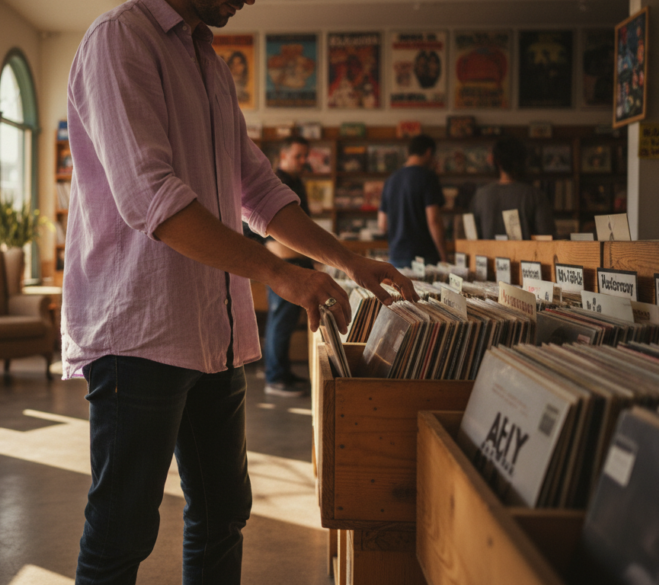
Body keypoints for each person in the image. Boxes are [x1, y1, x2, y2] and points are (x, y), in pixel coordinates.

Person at [63, 1, 417, 584]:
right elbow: (151, 198)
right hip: (140, 332)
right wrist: (280, 274)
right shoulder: (120, 38)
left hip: (212, 331)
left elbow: (256, 187)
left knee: (224, 512)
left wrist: (346, 260)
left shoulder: (208, 60)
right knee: (121, 531)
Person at [263, 136, 313, 397]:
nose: (303, 161)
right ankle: (274, 378)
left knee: (286, 321)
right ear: (283, 156)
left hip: (297, 263)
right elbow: (262, 231)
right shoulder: (277, 182)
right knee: (280, 321)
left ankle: (282, 372)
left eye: (306, 156)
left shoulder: (296, 182)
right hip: (284, 264)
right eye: (298, 156)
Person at [378, 134, 447, 268]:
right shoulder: (428, 177)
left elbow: (382, 224)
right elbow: (433, 220)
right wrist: (444, 255)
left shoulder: (391, 180)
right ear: (429, 152)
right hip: (424, 257)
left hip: (396, 256)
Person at [470, 136, 555, 240]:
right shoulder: (535, 195)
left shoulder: (480, 195)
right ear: (523, 161)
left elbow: (474, 237)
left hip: (487, 256)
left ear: (497, 161)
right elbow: (547, 236)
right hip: (525, 255)